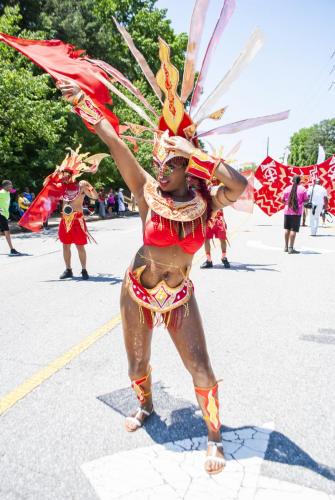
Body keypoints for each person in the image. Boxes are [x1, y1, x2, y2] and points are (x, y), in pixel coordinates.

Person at [57, 66, 247, 475]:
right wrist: (80, 100)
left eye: (169, 165)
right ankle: (145, 406)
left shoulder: (207, 200)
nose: (160, 170)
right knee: (136, 366)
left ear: (187, 167)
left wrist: (196, 152)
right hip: (137, 292)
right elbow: (113, 140)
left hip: (179, 296)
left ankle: (214, 437)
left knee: (200, 367)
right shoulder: (145, 189)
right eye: (158, 162)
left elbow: (240, 186)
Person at [282, 175, 308, 254]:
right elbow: (306, 200)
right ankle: (291, 248)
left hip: (287, 211)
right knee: (293, 230)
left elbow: (282, 200)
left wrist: (287, 203)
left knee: (287, 229)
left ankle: (286, 247)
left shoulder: (287, 188)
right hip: (297, 212)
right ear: (300, 181)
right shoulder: (303, 189)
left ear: (292, 181)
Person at [0, 180, 20, 255]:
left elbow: (14, 190)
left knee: (2, 232)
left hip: (5, 215)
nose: (11, 186)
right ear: (5, 186)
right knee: (6, 231)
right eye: (10, 185)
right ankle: (12, 250)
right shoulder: (1, 193)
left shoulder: (7, 192)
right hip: (1, 214)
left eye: (11, 185)